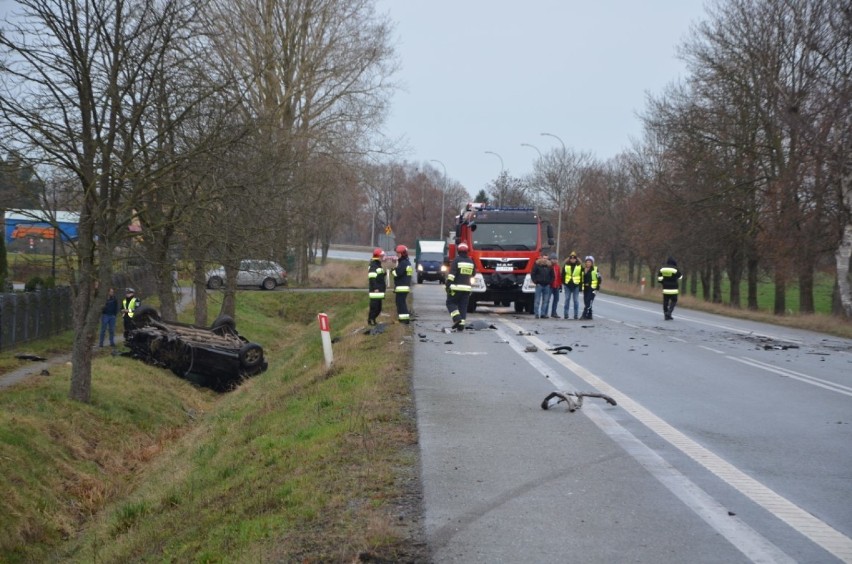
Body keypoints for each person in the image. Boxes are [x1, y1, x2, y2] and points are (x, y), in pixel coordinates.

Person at [445, 243, 475, 331]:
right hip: (467, 289)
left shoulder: (456, 260)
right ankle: (461, 325)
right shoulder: (471, 261)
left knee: (450, 303)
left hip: (456, 288)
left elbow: (451, 275)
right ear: (467, 251)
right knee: (463, 306)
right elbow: (473, 274)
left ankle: (457, 318)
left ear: (458, 251)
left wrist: (448, 285)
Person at [393, 244, 413, 324]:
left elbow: (397, 273)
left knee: (401, 303)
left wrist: (392, 271)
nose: (397, 255)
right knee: (401, 303)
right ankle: (403, 319)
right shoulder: (406, 262)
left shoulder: (403, 263)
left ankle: (404, 320)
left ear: (402, 254)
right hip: (404, 286)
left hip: (402, 287)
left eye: (398, 254)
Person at [531, 251, 554, 318]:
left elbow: (552, 276)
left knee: (545, 301)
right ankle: (536, 314)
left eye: (546, 258)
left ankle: (543, 314)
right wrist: (535, 281)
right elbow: (533, 273)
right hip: (539, 285)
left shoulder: (549, 266)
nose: (545, 260)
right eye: (544, 258)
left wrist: (549, 282)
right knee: (537, 300)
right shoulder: (537, 265)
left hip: (547, 285)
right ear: (541, 258)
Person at [367, 248, 386, 326]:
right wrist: (375, 288)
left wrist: (384, 274)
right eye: (381, 256)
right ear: (378, 256)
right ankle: (370, 320)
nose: (382, 257)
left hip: (379, 290)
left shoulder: (378, 264)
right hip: (375, 291)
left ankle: (373, 320)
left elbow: (378, 276)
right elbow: (372, 278)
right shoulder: (373, 265)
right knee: (374, 308)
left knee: (379, 308)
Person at [562, 252, 582, 319]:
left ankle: (576, 314)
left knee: (576, 300)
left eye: (574, 259)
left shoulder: (579, 266)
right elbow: (563, 275)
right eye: (571, 258)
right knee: (567, 299)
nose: (572, 260)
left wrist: (581, 286)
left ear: (576, 259)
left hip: (576, 285)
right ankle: (566, 314)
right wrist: (564, 283)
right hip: (567, 285)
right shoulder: (566, 266)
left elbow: (581, 276)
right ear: (569, 259)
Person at [580, 256, 601, 320]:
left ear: (592, 263)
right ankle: (590, 314)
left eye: (589, 262)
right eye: (587, 262)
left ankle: (584, 314)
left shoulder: (595, 269)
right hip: (586, 288)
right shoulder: (583, 269)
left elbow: (599, 278)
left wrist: (597, 287)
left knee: (589, 300)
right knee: (586, 301)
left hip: (593, 288)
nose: (588, 263)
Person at [548, 253, 562, 318]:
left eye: (556, 259)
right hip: (550, 285)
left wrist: (560, 285)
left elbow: (559, 276)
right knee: (547, 299)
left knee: (556, 300)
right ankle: (544, 312)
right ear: (550, 260)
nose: (555, 260)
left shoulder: (557, 267)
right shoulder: (549, 266)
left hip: (556, 285)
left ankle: (554, 313)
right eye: (553, 259)